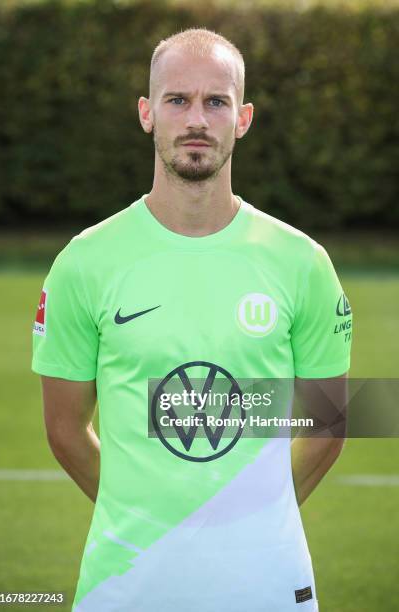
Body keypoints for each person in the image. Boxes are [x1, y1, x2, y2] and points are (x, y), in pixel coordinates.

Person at [32, 27, 353, 612]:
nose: (196, 119)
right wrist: (153, 523)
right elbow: (65, 431)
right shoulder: (85, 262)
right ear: (146, 113)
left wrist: (251, 515)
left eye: (216, 101)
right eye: (177, 100)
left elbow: (328, 427)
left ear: (244, 117)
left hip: (269, 585)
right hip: (122, 588)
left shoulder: (302, 263)